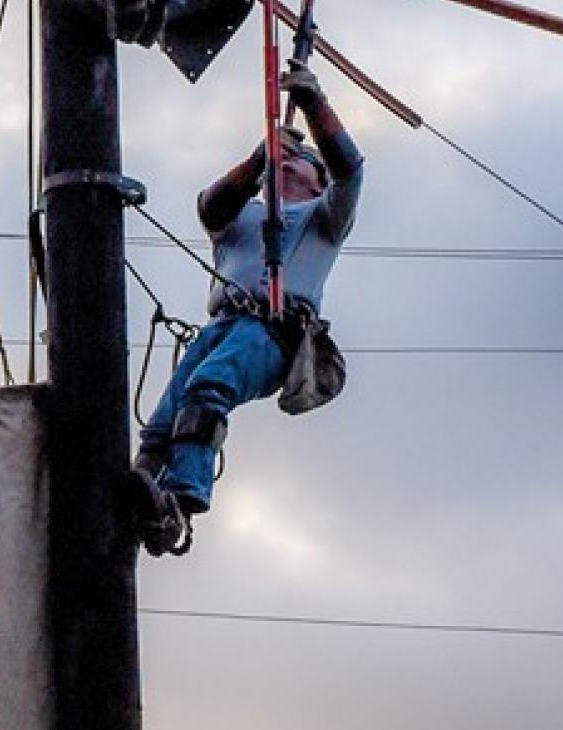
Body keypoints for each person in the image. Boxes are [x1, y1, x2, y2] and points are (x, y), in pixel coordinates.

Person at [132, 63, 364, 556]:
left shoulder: (324, 219)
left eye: (297, 161)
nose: (286, 163)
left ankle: (181, 498)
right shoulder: (244, 215)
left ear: (317, 181)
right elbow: (211, 206)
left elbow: (351, 168)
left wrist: (315, 104)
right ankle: (138, 493)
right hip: (222, 324)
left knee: (209, 385)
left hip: (274, 331)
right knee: (161, 423)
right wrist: (260, 157)